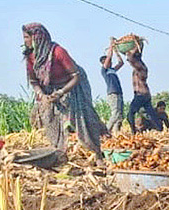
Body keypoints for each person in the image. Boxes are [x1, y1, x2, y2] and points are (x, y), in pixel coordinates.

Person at [23, 23, 107, 160]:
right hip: (49, 88)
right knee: (50, 119)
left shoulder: (58, 52)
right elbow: (33, 81)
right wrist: (42, 95)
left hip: (73, 85)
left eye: (27, 37)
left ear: (37, 37)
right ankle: (59, 154)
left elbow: (76, 76)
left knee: (82, 120)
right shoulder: (31, 57)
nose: (25, 41)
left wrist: (61, 92)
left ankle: (97, 154)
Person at [125, 42, 162, 132]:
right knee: (151, 114)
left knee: (130, 114)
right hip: (145, 94)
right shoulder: (140, 66)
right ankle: (159, 129)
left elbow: (130, 58)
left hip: (141, 95)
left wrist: (131, 51)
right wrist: (139, 46)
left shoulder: (140, 67)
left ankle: (134, 132)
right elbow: (134, 58)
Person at [99, 47, 125, 136]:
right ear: (104, 62)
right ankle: (105, 131)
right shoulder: (104, 70)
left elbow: (121, 63)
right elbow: (109, 57)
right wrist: (111, 45)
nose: (111, 62)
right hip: (113, 93)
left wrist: (117, 52)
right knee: (115, 114)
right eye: (108, 61)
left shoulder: (112, 70)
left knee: (120, 116)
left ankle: (116, 134)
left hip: (119, 93)